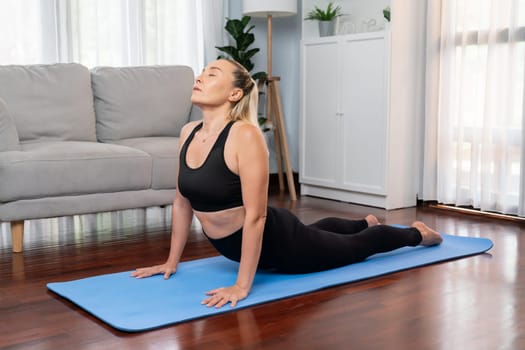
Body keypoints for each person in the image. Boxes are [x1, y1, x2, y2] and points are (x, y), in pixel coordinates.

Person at [131, 59, 443, 309]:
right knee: (317, 233)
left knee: (356, 247)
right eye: (201, 72)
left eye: (211, 74)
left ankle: (418, 234)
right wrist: (170, 262)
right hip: (244, 247)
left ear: (234, 94)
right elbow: (182, 201)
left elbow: (255, 216)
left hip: (282, 246)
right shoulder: (188, 132)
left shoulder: (245, 136)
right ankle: (363, 220)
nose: (199, 78)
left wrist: (242, 286)